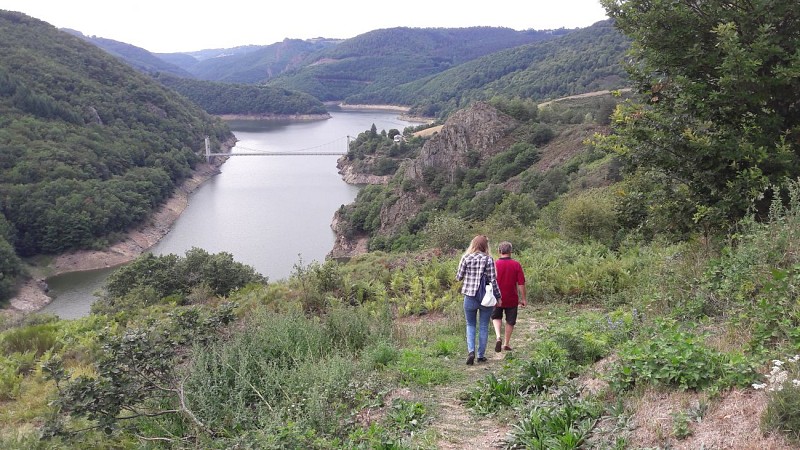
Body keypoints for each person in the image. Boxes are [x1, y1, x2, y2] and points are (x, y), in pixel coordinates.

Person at [455, 235, 500, 365]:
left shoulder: (466, 257)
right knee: (484, 325)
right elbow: (493, 280)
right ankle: (481, 355)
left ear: (473, 245)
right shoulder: (489, 259)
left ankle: (471, 351)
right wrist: (498, 296)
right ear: (486, 246)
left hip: (469, 296)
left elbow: (458, 277)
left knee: (470, 324)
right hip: (486, 297)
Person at [492, 241, 526, 352]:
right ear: (511, 251)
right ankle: (506, 343)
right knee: (510, 321)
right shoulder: (516, 264)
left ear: (499, 251)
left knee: (496, 317)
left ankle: (498, 336)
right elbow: (521, 283)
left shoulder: (494, 264)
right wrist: (523, 299)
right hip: (512, 298)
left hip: (496, 298)